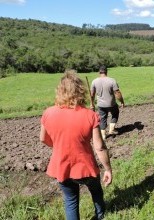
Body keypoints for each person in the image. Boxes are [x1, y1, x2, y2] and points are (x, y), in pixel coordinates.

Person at [40, 69, 112, 220]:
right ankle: (100, 216)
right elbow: (99, 147)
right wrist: (108, 169)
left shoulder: (48, 113)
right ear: (80, 91)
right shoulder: (90, 115)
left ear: (60, 91)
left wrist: (60, 145)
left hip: (62, 167)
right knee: (96, 191)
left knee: (70, 201)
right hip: (85, 167)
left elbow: (43, 139)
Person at [90, 65, 125, 140]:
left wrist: (91, 103)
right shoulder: (112, 80)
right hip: (111, 103)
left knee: (102, 118)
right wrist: (122, 101)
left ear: (99, 72)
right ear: (106, 72)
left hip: (100, 105)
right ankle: (111, 129)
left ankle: (103, 135)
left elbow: (92, 94)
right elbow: (117, 93)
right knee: (115, 113)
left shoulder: (94, 81)